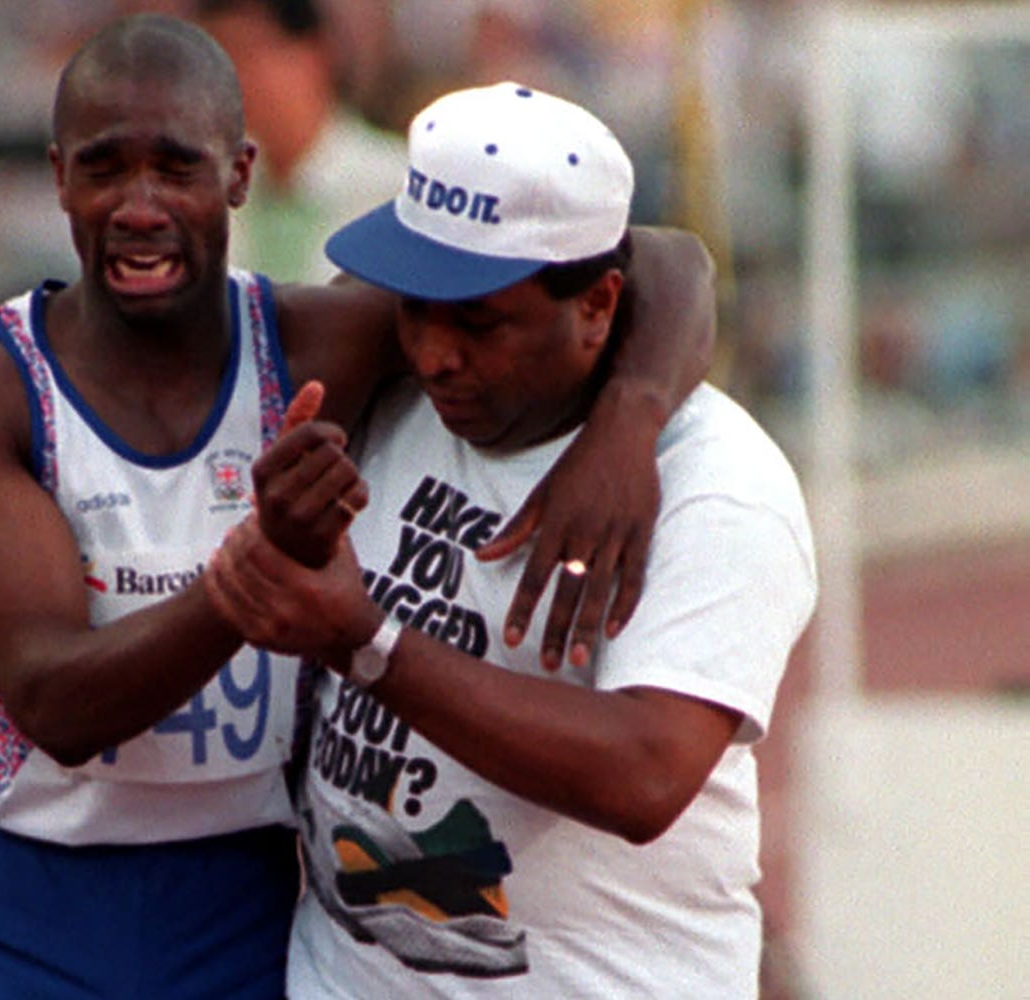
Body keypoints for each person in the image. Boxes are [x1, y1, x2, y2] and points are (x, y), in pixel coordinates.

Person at [0, 14, 715, 998]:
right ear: (58, 176)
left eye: (177, 167)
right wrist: (259, 566)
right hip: (25, 906)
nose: (141, 205)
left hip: (239, 908)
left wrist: (627, 424)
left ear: (239, 175)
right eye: (106, 168)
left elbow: (664, 260)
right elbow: (58, 705)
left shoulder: (317, 342)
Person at [202, 83, 817, 998]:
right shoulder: (389, 390)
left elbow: (643, 775)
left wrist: (367, 643)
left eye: (479, 322)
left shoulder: (718, 485)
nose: (435, 352)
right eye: (414, 306)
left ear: (599, 305)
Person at [196, 0, 405, 284]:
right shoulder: (214, 191)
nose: (234, 79)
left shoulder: (395, 184)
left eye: (247, 52)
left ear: (316, 53)